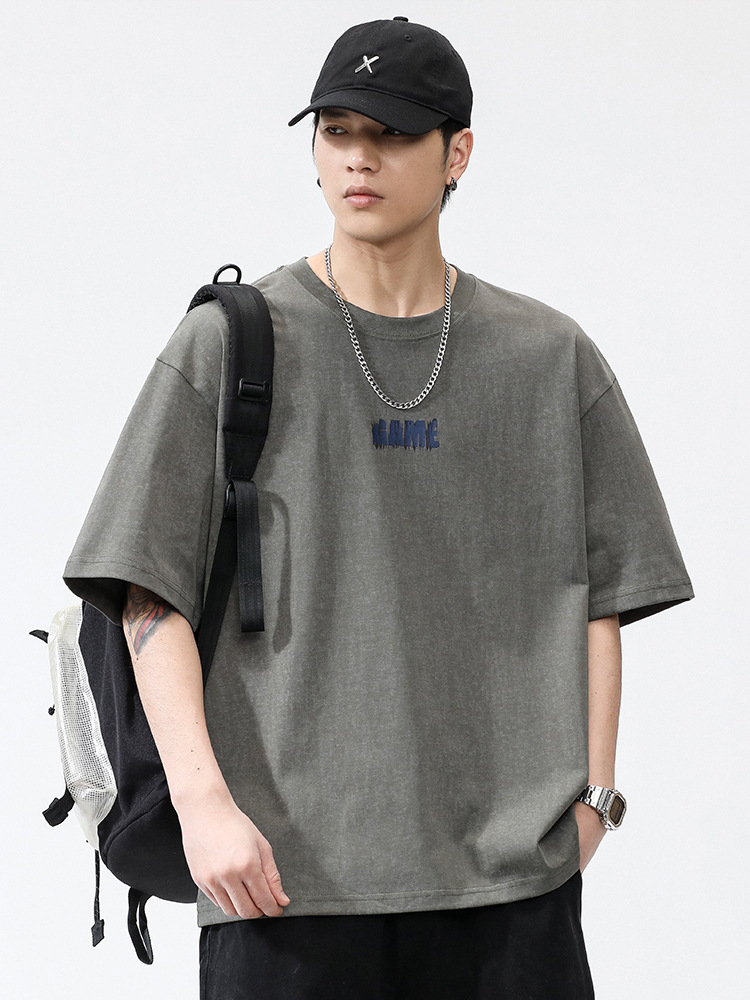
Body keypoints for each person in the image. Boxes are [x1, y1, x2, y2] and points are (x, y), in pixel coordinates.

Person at [64, 16, 694, 999]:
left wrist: (594, 804)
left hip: (509, 884)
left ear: (458, 154)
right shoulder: (227, 344)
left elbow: (600, 597)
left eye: (392, 133)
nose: (359, 158)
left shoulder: (548, 358)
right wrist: (204, 805)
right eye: (337, 131)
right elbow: (148, 590)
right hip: (282, 882)